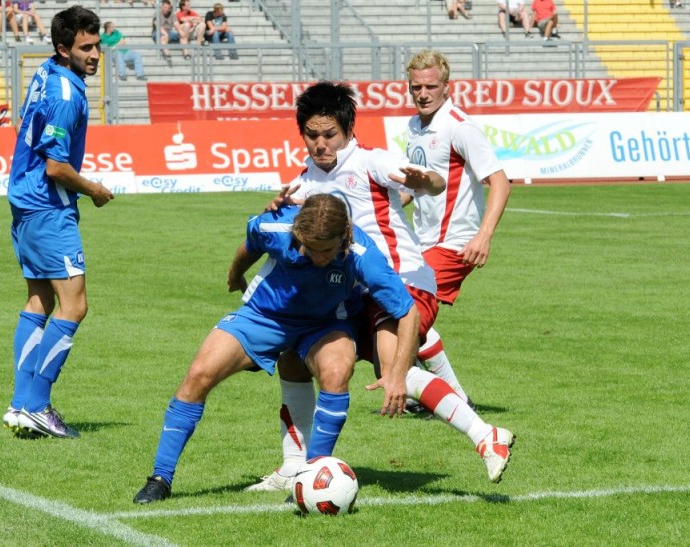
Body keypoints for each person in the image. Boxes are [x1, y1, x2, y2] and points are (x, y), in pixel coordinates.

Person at [245, 81, 514, 492]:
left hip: (402, 280)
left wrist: (426, 180)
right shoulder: (303, 182)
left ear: (349, 131)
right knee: (294, 355)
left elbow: (427, 184)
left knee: (395, 372)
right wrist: (276, 208)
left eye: (330, 135)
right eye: (312, 135)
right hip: (354, 292)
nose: (321, 144)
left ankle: (485, 435)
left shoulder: (372, 162)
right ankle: (293, 465)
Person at [132, 194, 421, 504]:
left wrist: (397, 374)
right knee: (200, 373)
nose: (318, 258)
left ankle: (309, 480)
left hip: (325, 324)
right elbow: (250, 243)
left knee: (337, 372)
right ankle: (160, 477)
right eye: (310, 248)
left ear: (345, 236)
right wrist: (235, 273)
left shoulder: (363, 253)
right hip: (263, 315)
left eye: (326, 250)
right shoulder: (276, 226)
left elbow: (408, 311)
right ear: (298, 234)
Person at [3, 5, 114, 440]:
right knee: (75, 305)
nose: (94, 55)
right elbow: (56, 167)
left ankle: (19, 404)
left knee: (39, 302)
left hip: (24, 202)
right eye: (85, 47)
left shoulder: (47, 71)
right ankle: (37, 404)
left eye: (97, 45)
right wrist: (96, 191)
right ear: (63, 47)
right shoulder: (68, 95)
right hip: (49, 207)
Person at [402, 48, 511, 403]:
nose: (423, 93)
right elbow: (414, 186)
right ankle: (455, 398)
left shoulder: (459, 127)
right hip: (422, 242)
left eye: (430, 86)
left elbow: (500, 181)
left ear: (446, 87)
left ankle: (425, 393)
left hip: (454, 243)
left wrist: (484, 236)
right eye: (416, 86)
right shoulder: (414, 126)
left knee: (404, 320)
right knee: (401, 313)